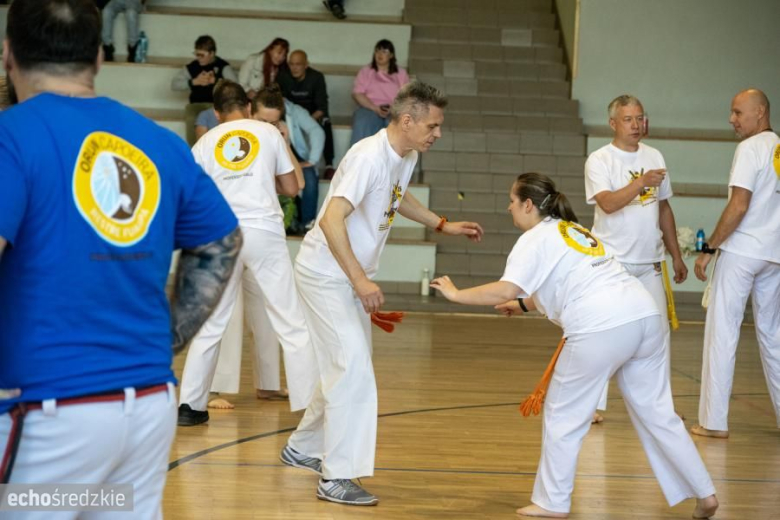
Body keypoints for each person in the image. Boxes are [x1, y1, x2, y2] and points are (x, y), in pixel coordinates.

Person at [0, 2, 241, 518]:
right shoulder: (157, 141)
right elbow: (222, 243)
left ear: (7, 53)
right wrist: (165, 340)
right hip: (146, 407)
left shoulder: (10, 137)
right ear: (98, 56)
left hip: (48, 411)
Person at [430, 172, 718, 519]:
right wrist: (523, 305)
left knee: (563, 414)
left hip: (601, 324)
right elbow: (568, 280)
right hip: (644, 315)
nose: (508, 207)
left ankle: (552, 502)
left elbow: (506, 288)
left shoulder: (534, 238)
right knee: (659, 413)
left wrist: (456, 294)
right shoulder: (573, 229)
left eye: (512, 201)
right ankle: (705, 493)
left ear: (528, 205)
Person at [279, 82, 484, 506]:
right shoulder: (367, 157)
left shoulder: (405, 155)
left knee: (345, 366)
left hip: (345, 278)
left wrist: (441, 224)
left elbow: (396, 196)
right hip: (326, 275)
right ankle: (336, 477)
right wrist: (360, 280)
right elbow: (332, 220)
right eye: (432, 126)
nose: (438, 133)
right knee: (352, 371)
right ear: (407, 121)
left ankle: (302, 448)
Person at [178, 81, 318, 426]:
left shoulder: (204, 143)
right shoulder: (267, 132)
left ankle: (190, 406)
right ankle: (309, 406)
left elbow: (191, 197)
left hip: (219, 233)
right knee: (290, 320)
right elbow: (291, 187)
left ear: (216, 113)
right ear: (248, 105)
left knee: (211, 323)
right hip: (262, 231)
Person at [584, 94, 687, 422]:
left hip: (650, 263)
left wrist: (676, 255)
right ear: (612, 123)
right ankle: (593, 405)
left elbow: (664, 208)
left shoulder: (654, 155)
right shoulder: (600, 159)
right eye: (628, 119)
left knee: (658, 334)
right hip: (611, 263)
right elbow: (608, 203)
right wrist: (641, 182)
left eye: (640, 118)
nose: (636, 125)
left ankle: (660, 407)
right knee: (604, 332)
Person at [691, 89, 780, 439]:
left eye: (738, 112)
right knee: (773, 336)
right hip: (773, 254)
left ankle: (713, 422)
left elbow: (739, 205)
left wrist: (709, 248)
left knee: (722, 332)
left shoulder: (750, 148)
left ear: (760, 112)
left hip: (742, 252)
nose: (732, 120)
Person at [278, 49, 337, 178]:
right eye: (291, 64)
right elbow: (281, 101)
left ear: (306, 65)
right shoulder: (283, 76)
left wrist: (306, 121)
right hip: (292, 115)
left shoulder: (316, 78)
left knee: (325, 124)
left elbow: (322, 107)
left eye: (298, 64)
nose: (294, 68)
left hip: (313, 115)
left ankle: (329, 164)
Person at [171, 35, 237, 145]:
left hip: (217, 104)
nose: (198, 58)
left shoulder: (222, 66)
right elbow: (174, 84)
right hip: (196, 104)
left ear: (212, 53)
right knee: (192, 118)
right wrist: (194, 82)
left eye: (202, 55)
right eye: (196, 54)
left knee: (218, 120)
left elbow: (235, 85)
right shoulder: (192, 67)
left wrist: (216, 81)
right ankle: (193, 150)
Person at [350, 39, 409, 146]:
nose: (380, 54)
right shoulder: (366, 71)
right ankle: (359, 155)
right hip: (369, 108)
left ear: (391, 55)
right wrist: (375, 108)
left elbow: (406, 96)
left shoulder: (401, 73)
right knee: (362, 122)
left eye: (384, 51)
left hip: (394, 109)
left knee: (399, 125)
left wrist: (394, 109)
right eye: (377, 51)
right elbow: (357, 94)